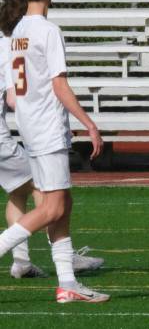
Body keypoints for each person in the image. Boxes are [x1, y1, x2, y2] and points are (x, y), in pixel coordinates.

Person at [0, 0, 108, 302]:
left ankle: (68, 285)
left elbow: (17, 92)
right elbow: (59, 84)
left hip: (31, 126)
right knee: (51, 208)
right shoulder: (48, 30)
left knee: (63, 204)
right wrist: (89, 124)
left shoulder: (18, 31)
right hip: (46, 127)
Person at [0, 33, 104, 279]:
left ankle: (22, 262)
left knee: (18, 190)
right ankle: (64, 253)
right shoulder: (9, 44)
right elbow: (15, 98)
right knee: (48, 195)